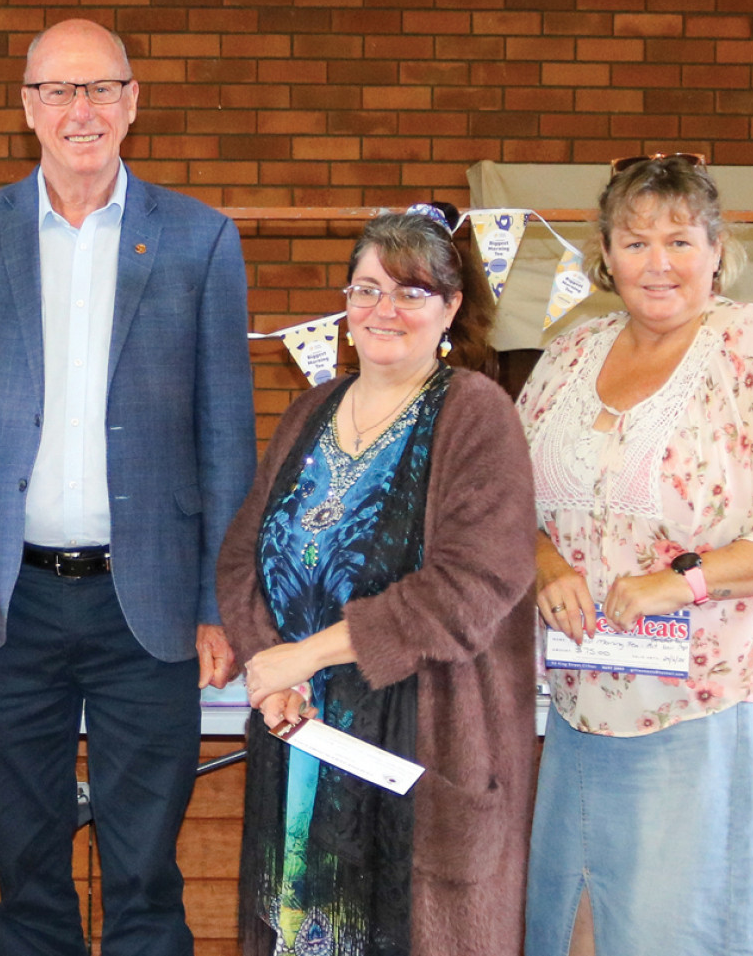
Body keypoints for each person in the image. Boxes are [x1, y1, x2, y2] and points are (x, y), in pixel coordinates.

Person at [0, 18, 256, 956]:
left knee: (146, 870)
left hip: (149, 610)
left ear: (133, 102)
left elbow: (228, 438)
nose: (81, 110)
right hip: (7, 608)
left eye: (101, 89)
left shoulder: (200, 240)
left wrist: (220, 600)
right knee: (26, 869)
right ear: (27, 108)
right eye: (58, 91)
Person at [519, 155, 753, 956]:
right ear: (604, 254)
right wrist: (544, 562)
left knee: (671, 930)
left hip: (703, 692)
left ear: (717, 247)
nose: (657, 262)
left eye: (679, 240)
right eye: (634, 242)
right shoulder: (568, 354)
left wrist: (684, 579)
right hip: (579, 693)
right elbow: (492, 500)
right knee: (574, 926)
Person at [217, 204, 537, 956]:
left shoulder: (476, 416)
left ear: (452, 308)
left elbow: (472, 588)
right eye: (366, 289)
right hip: (301, 742)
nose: (383, 309)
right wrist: (272, 670)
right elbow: (242, 559)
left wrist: (310, 654)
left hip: (420, 746)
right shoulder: (307, 413)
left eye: (411, 291)